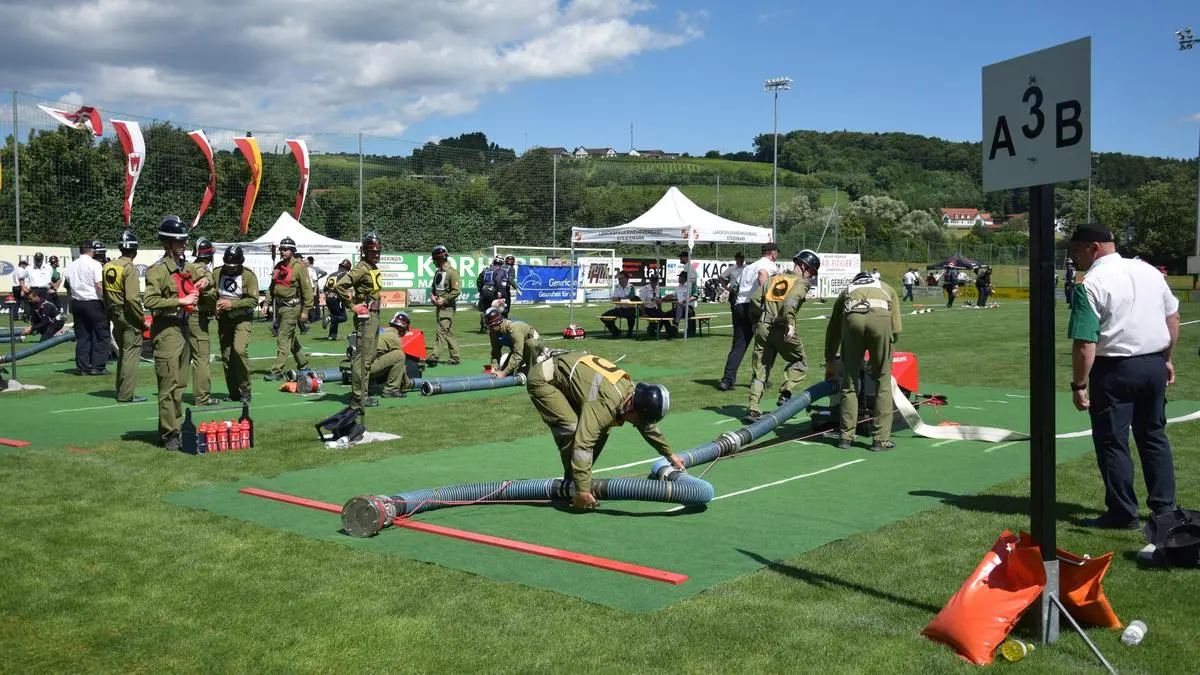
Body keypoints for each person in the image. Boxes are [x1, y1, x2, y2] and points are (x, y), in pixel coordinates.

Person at [1066, 222, 1179, 530]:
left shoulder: (1090, 283)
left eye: (1077, 250)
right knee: (1154, 437)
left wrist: (1078, 385)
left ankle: (1122, 512)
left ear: (1093, 248)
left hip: (1114, 370)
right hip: (1153, 364)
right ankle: (1164, 508)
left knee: (1112, 441)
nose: (1075, 257)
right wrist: (1166, 359)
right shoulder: (1150, 272)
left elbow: (1085, 342)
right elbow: (1173, 318)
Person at [525, 351, 685, 509]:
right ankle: (574, 488)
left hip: (570, 379)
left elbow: (648, 428)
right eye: (637, 420)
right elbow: (583, 445)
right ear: (633, 410)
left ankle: (573, 483)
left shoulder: (631, 392)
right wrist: (583, 490)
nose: (636, 424)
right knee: (572, 428)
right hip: (544, 380)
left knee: (603, 427)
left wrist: (669, 455)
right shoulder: (606, 404)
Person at [824, 270, 903, 451]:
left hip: (852, 321)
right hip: (881, 321)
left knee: (849, 383)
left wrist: (829, 358)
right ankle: (880, 440)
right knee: (882, 382)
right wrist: (889, 346)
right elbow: (897, 329)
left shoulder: (847, 291)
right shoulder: (887, 288)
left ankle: (845, 438)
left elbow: (833, 331)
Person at [142, 216, 201, 451]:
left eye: (184, 241)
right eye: (179, 241)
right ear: (167, 243)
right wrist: (180, 300)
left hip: (184, 327)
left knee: (180, 385)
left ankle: (174, 427)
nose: (183, 244)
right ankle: (169, 433)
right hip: (166, 329)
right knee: (167, 385)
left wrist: (203, 284)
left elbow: (202, 274)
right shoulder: (158, 270)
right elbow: (150, 300)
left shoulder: (184, 266)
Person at [744, 249, 820, 422]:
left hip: (763, 327)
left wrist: (757, 321)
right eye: (811, 271)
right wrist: (791, 323)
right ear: (802, 266)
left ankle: (753, 408)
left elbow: (755, 301)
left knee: (761, 368)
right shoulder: (801, 283)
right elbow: (790, 303)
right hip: (783, 327)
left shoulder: (773, 278)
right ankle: (785, 393)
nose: (811, 276)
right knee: (799, 361)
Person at [719, 242, 779, 391]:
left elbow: (734, 286)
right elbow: (762, 275)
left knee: (738, 345)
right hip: (756, 306)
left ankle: (727, 380)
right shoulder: (769, 265)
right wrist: (766, 299)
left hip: (740, 305)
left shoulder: (748, 267)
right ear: (773, 253)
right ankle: (759, 379)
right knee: (764, 345)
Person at [334, 233, 384, 408]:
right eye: (372, 251)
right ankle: (358, 396)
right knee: (363, 358)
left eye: (378, 251)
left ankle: (363, 393)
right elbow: (339, 285)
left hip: (374, 315)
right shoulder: (362, 268)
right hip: (366, 317)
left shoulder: (371, 266)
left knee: (369, 356)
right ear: (365, 251)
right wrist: (352, 306)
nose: (376, 254)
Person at [102, 230, 147, 403]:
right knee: (131, 354)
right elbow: (132, 299)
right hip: (128, 315)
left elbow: (105, 294)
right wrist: (141, 321)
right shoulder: (130, 269)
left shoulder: (109, 266)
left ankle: (121, 389)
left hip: (114, 313)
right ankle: (126, 394)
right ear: (135, 251)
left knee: (123, 353)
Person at [215, 245, 259, 403]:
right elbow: (211, 293)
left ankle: (246, 389)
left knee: (239, 351)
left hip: (242, 319)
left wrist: (232, 304)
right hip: (224, 320)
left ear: (240, 264)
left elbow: (253, 300)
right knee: (226, 356)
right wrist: (214, 305)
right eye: (227, 265)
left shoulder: (248, 276)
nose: (230, 268)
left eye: (233, 266)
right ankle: (233, 392)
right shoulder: (217, 273)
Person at [264, 236, 312, 381]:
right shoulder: (278, 266)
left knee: (283, 337)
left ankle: (277, 370)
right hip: (279, 307)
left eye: (286, 249)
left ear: (292, 251)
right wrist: (266, 302)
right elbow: (272, 287)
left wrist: (306, 310)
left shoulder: (299, 267)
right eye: (281, 249)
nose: (283, 252)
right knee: (290, 338)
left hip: (292, 307)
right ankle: (303, 364)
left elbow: (307, 291)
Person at [63, 240, 109, 376]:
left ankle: (82, 367)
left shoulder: (71, 266)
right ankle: (97, 366)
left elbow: (68, 287)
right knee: (102, 335)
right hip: (93, 302)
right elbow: (99, 286)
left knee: (83, 336)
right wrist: (106, 301)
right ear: (91, 250)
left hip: (77, 303)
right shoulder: (94, 264)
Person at [184, 238, 220, 406]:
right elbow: (209, 291)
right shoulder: (201, 269)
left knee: (183, 357)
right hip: (197, 316)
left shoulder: (189, 266)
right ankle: (202, 397)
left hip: (185, 315)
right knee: (201, 358)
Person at [484, 306, 545, 377]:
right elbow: (495, 352)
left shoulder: (513, 328)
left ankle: (533, 371)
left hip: (534, 347)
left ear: (498, 323)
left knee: (531, 344)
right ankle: (526, 369)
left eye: (490, 326)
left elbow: (518, 355)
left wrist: (503, 373)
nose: (489, 328)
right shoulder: (494, 332)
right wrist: (494, 368)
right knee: (508, 373)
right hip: (518, 350)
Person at [428, 244, 461, 365]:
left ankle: (434, 356)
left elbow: (456, 291)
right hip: (439, 306)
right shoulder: (438, 272)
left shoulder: (452, 273)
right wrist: (432, 296)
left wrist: (444, 300)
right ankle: (456, 357)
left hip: (448, 307)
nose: (434, 262)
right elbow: (434, 287)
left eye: (435, 260)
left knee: (441, 330)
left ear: (441, 258)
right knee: (448, 332)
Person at [370, 311, 415, 398]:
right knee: (399, 355)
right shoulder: (395, 338)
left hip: (358, 367)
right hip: (367, 368)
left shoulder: (382, 331)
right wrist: (407, 383)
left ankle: (370, 386)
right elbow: (400, 365)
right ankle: (391, 390)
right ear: (402, 329)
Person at [600, 271, 637, 338]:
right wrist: (622, 298)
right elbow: (614, 299)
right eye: (619, 278)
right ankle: (615, 331)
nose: (619, 280)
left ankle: (630, 332)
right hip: (619, 308)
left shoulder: (632, 287)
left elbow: (631, 298)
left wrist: (619, 298)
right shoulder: (617, 287)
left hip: (629, 308)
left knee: (631, 315)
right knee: (603, 317)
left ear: (626, 278)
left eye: (621, 278)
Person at [322, 259, 352, 340]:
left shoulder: (332, 275)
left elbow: (325, 288)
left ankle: (332, 336)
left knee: (334, 315)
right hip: (337, 298)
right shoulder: (344, 275)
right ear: (347, 268)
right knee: (343, 317)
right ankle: (329, 318)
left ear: (339, 266)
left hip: (328, 298)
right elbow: (342, 287)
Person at [638, 274, 673, 338]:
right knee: (664, 316)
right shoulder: (645, 289)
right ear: (650, 281)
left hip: (653, 309)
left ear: (657, 281)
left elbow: (658, 302)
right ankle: (669, 332)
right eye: (653, 281)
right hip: (646, 309)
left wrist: (660, 310)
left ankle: (656, 330)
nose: (654, 282)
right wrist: (643, 313)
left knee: (664, 315)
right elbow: (641, 303)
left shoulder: (658, 289)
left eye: (655, 281)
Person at [665, 270, 698, 337]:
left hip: (689, 309)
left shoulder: (691, 285)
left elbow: (695, 297)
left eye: (679, 277)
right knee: (663, 315)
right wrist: (662, 299)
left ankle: (675, 326)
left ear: (683, 278)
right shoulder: (679, 286)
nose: (678, 278)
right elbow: (672, 295)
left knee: (680, 306)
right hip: (679, 309)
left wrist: (684, 301)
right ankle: (669, 331)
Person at [476, 256, 504, 333]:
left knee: (485, 309)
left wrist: (480, 290)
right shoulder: (500, 270)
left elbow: (479, 280)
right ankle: (493, 327)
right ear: (501, 263)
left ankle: (484, 326)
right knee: (495, 309)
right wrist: (499, 291)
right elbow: (498, 281)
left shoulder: (486, 270)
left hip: (484, 290)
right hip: (492, 291)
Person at [304, 256, 326, 330]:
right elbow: (324, 273)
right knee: (315, 303)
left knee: (314, 303)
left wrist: (318, 278)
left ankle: (314, 317)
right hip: (310, 288)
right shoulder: (313, 268)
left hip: (312, 287)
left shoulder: (313, 269)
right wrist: (319, 277)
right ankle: (315, 317)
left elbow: (315, 281)